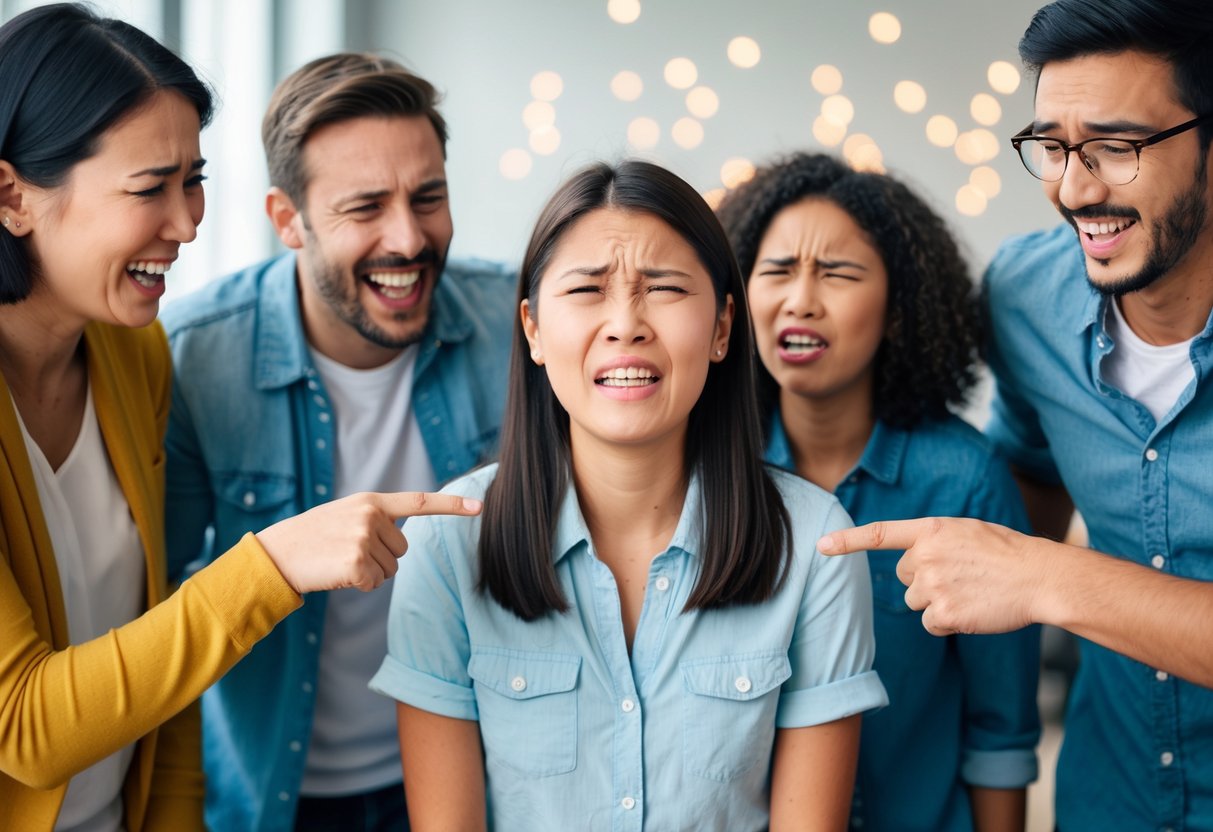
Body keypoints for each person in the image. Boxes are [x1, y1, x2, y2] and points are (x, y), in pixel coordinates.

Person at [0, 6, 479, 832]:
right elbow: (28, 730)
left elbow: (165, 668)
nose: (188, 224)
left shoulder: (134, 356)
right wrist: (275, 563)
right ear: (12, 196)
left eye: (194, 181)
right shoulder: (190, 347)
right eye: (151, 187)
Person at [368, 159, 888, 831]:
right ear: (531, 329)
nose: (625, 324)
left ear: (723, 327)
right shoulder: (445, 547)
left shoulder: (814, 544)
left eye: (664, 289)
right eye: (586, 290)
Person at [817, 0, 1213, 829]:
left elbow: (1029, 566)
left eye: (1114, 148)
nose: (1073, 188)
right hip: (1111, 800)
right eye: (1052, 147)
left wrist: (1046, 577)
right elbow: (1025, 480)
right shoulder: (1025, 296)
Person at [161, 54, 514, 831]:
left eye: (429, 198)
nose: (409, 238)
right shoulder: (191, 357)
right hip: (269, 799)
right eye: (365, 208)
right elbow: (156, 606)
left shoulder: (518, 326)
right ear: (288, 220)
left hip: (473, 780)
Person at [716, 152, 1040, 832]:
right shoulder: (712, 472)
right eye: (776, 270)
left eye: (836, 273)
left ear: (898, 308)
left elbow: (999, 727)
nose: (800, 298)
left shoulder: (964, 479)